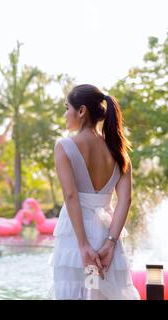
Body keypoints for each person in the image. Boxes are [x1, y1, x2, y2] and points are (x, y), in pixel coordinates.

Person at [51, 84, 140, 300]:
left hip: (76, 233)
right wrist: (110, 243)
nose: (65, 114)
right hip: (106, 233)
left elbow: (71, 196)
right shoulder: (119, 151)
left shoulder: (64, 146)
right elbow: (125, 200)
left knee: (75, 293)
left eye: (66, 108)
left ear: (81, 111)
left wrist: (82, 245)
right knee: (101, 293)